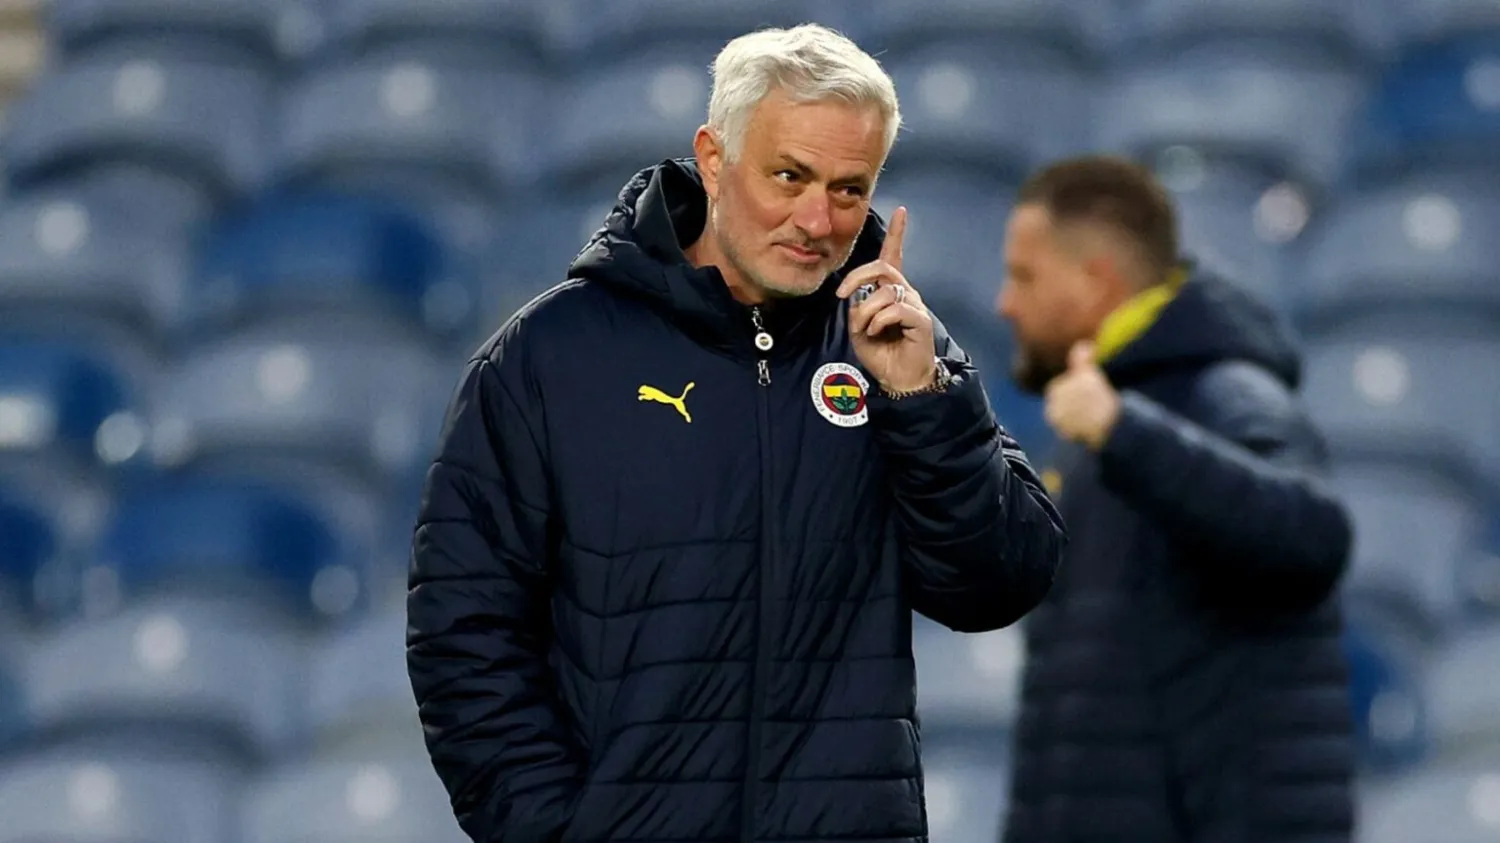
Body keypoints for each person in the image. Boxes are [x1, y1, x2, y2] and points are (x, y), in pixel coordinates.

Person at [406, 23, 1066, 843]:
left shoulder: (900, 351)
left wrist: (923, 399)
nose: (817, 219)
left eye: (849, 189)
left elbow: (1001, 583)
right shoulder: (549, 356)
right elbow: (462, 635)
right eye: (789, 176)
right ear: (714, 159)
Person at [994, 155, 1355, 843]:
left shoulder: (1225, 396)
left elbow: (1312, 536)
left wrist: (1124, 432)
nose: (1004, 303)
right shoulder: (1102, 420)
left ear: (1096, 279)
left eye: (1025, 276)